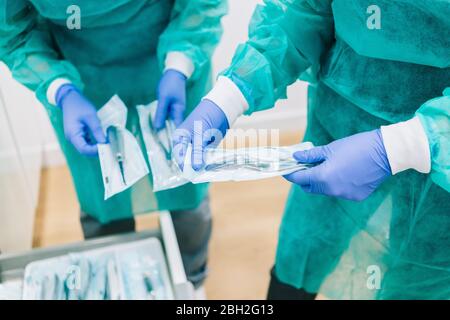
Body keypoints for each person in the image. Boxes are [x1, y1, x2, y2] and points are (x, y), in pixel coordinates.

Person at [175, 0, 450, 299]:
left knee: (411, 277)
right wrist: (228, 97)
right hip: (336, 128)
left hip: (439, 175)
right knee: (300, 260)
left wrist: (406, 145)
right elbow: (305, 16)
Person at [0, 0, 227, 294]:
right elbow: (13, 32)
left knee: (185, 190)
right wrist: (60, 88)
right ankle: (112, 269)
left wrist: (179, 64)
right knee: (102, 197)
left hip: (173, 57)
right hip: (83, 81)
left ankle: (191, 280)